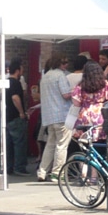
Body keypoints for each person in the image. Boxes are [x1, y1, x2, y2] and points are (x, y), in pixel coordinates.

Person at [36, 54, 73, 182]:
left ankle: (42, 171)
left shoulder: (45, 77)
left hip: (49, 116)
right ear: (59, 64)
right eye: (64, 63)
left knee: (50, 144)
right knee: (62, 145)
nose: (66, 65)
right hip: (62, 114)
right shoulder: (60, 76)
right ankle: (57, 173)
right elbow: (66, 94)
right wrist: (76, 91)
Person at [68, 61, 108, 142]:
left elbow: (76, 103)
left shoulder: (81, 86)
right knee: (101, 142)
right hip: (100, 115)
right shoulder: (105, 84)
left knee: (85, 142)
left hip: (84, 115)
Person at [3, 59, 30, 175]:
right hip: (16, 117)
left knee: (9, 144)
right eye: (22, 69)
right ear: (18, 70)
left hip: (8, 116)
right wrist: (21, 112)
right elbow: (15, 98)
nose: (22, 71)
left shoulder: (6, 82)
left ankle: (9, 167)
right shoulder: (16, 83)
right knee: (20, 143)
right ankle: (19, 167)